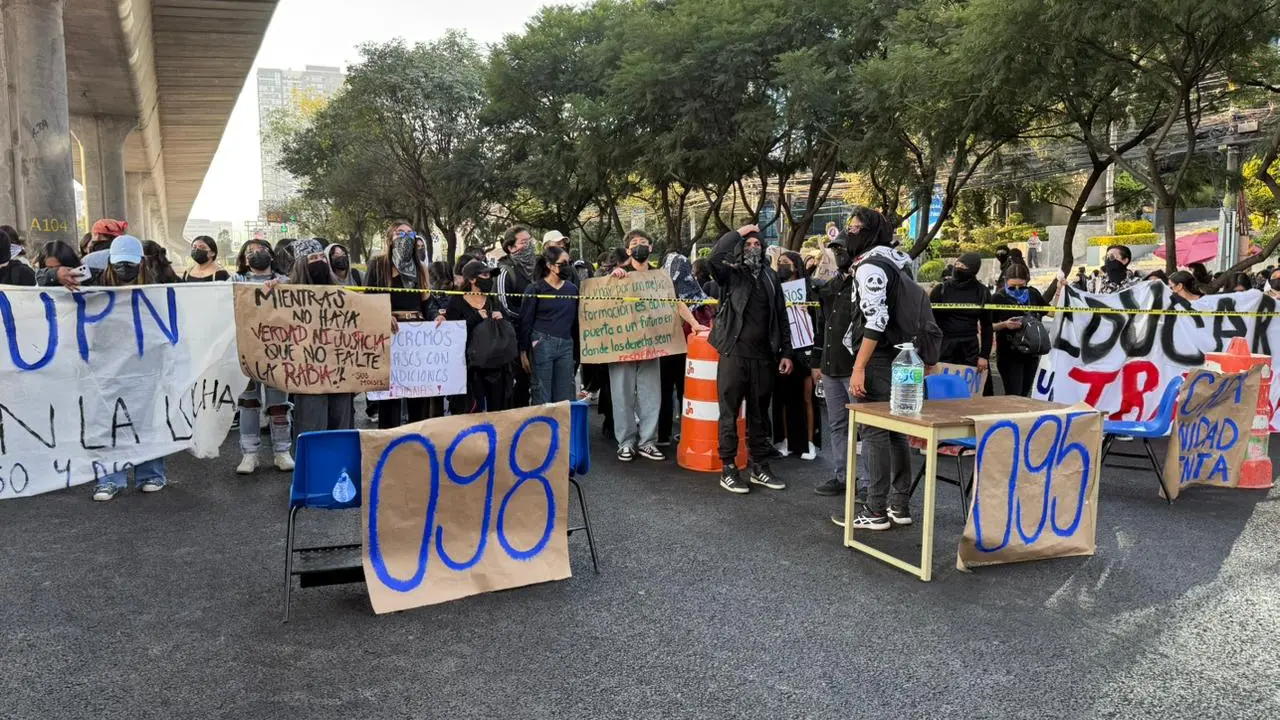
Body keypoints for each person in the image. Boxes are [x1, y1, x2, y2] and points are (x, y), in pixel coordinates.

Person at [842, 206, 917, 530]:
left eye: (856, 228)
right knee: (899, 432)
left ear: (869, 233)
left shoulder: (869, 267)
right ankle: (899, 506)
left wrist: (859, 366)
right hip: (908, 356)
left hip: (880, 359)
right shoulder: (901, 261)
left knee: (874, 432)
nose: (850, 233)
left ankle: (875, 510)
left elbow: (877, 320)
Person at [706, 224, 793, 494]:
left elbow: (781, 315)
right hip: (734, 354)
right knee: (729, 414)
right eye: (747, 245)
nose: (753, 248)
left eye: (757, 244)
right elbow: (713, 258)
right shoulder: (731, 274)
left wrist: (787, 351)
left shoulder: (770, 277)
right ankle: (729, 468)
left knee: (758, 415)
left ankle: (759, 466)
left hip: (764, 357)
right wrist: (740, 232)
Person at [607, 230, 707, 462]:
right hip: (623, 345)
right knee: (622, 395)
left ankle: (647, 441)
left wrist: (694, 324)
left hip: (652, 345)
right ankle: (626, 442)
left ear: (651, 248)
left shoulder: (661, 276)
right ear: (628, 251)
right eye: (634, 243)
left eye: (644, 242)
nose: (639, 246)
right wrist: (613, 277)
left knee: (651, 393)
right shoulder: (619, 275)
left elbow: (675, 302)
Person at [89, 236, 166, 501]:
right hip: (108, 369)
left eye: (129, 264)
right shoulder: (95, 293)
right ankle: (109, 478)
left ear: (141, 263)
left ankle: (151, 473)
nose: (125, 269)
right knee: (107, 423)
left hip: (146, 368)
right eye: (120, 264)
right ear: (110, 263)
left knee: (147, 420)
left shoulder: (156, 293)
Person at [231, 239, 294, 474]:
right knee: (248, 403)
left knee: (278, 404)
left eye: (260, 250)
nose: (255, 254)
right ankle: (249, 454)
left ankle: (282, 451)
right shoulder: (236, 282)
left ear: (270, 254)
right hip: (246, 351)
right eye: (250, 252)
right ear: (244, 259)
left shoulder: (286, 282)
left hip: (277, 352)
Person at [811, 237, 868, 497]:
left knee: (867, 429)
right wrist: (817, 363)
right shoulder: (830, 288)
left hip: (855, 368)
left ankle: (868, 484)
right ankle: (843, 477)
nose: (835, 254)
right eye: (833, 251)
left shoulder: (863, 284)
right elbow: (822, 327)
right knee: (838, 425)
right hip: (831, 367)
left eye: (840, 250)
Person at [365, 224, 431, 428]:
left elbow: (427, 302)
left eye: (410, 232)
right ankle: (388, 441)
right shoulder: (378, 264)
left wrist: (437, 317)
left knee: (417, 394)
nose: (405, 236)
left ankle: (416, 441)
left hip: (415, 334)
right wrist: (382, 315)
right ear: (390, 238)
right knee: (390, 395)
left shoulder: (421, 268)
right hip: (389, 334)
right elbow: (368, 298)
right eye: (400, 232)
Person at [287, 247, 356, 440]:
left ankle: (341, 467)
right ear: (302, 264)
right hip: (307, 373)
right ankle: (312, 468)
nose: (320, 261)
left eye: (322, 257)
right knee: (311, 424)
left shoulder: (344, 294)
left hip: (340, 370)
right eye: (313, 258)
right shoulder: (287, 293)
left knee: (340, 423)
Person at [658, 252, 716, 446]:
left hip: (671, 350)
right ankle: (686, 431)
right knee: (686, 392)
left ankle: (663, 434)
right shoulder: (697, 293)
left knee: (667, 391)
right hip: (689, 352)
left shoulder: (662, 291)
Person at [447, 260, 514, 413]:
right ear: (471, 279)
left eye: (490, 275)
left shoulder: (493, 300)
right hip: (470, 368)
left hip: (495, 365)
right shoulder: (457, 301)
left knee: (497, 409)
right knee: (471, 411)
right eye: (484, 275)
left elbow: (508, 328)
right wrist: (475, 319)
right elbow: (452, 334)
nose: (489, 278)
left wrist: (501, 318)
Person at [770, 250, 818, 460]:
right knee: (784, 397)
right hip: (784, 347)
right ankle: (786, 441)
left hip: (805, 347)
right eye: (779, 262)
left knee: (807, 397)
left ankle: (809, 442)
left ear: (796, 266)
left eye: (785, 262)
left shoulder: (810, 290)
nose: (781, 265)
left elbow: (818, 320)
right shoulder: (776, 290)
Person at [520, 246, 579, 404]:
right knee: (541, 392)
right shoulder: (535, 288)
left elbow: (575, 321)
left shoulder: (572, 289)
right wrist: (523, 351)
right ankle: (542, 428)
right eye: (563, 263)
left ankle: (562, 428)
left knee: (565, 394)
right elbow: (525, 321)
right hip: (542, 343)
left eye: (569, 262)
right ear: (550, 265)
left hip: (566, 344)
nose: (567, 266)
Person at [929, 251, 993, 381]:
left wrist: (984, 355)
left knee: (966, 391)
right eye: (956, 264)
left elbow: (987, 326)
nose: (958, 268)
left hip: (969, 348)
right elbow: (930, 323)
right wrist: (929, 352)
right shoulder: (941, 290)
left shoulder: (982, 292)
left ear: (973, 270)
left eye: (963, 266)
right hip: (944, 346)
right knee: (941, 388)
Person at [990, 263, 1046, 397]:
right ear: (1005, 282)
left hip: (1031, 352)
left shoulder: (1033, 294)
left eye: (1021, 287)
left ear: (1027, 282)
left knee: (1025, 393)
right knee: (1013, 393)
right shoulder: (998, 298)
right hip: (1009, 354)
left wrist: (1060, 293)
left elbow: (1049, 311)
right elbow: (986, 326)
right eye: (1012, 287)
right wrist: (1004, 324)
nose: (1016, 290)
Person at [496, 225, 536, 407]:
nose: (529, 246)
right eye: (523, 242)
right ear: (511, 248)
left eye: (530, 241)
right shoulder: (505, 272)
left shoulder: (536, 269)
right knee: (519, 381)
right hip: (514, 336)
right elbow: (505, 306)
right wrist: (526, 318)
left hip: (535, 334)